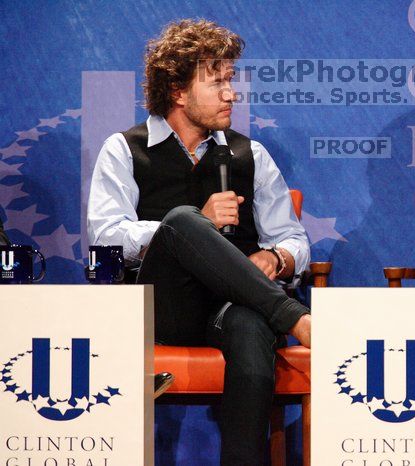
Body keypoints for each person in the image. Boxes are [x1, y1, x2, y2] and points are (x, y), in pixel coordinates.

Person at [87, 19, 311, 465]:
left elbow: (293, 239)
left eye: (231, 81)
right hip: (161, 309)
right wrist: (190, 227)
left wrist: (275, 258)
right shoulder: (124, 149)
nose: (232, 94)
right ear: (178, 91)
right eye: (218, 82)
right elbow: (105, 236)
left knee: (251, 326)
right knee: (182, 220)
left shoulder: (251, 155)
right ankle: (296, 318)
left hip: (233, 308)